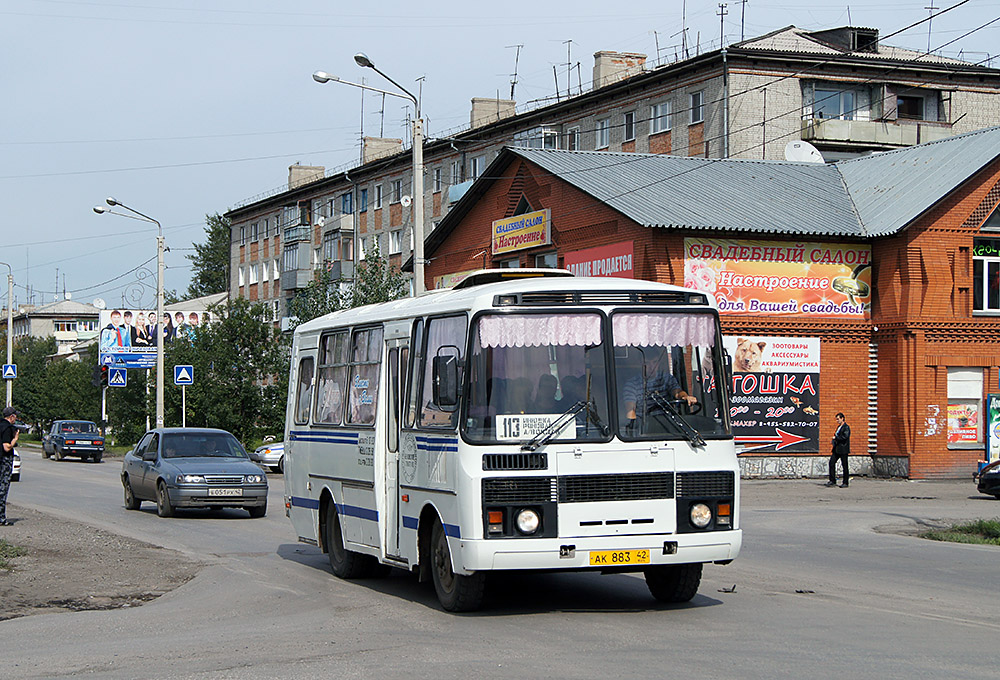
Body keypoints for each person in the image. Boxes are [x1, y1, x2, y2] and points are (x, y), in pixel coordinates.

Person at [623, 347, 697, 422]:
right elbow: (630, 411)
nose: (652, 367)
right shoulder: (632, 385)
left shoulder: (666, 379)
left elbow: (677, 392)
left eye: (654, 362)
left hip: (670, 424)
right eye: (647, 363)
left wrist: (685, 397)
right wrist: (634, 428)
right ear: (641, 364)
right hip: (645, 427)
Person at [0, 406, 20, 526]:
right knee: (2, 489)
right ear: (11, 416)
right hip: (4, 460)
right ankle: (1, 518)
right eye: (15, 416)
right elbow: (6, 447)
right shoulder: (7, 428)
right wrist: (15, 439)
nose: (16, 418)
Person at [827, 412, 851, 487]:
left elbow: (845, 437)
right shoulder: (839, 427)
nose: (837, 421)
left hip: (843, 449)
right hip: (836, 449)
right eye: (836, 419)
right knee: (831, 463)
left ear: (842, 418)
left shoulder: (846, 427)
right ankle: (832, 480)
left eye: (838, 419)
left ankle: (845, 482)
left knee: (844, 465)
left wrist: (836, 438)